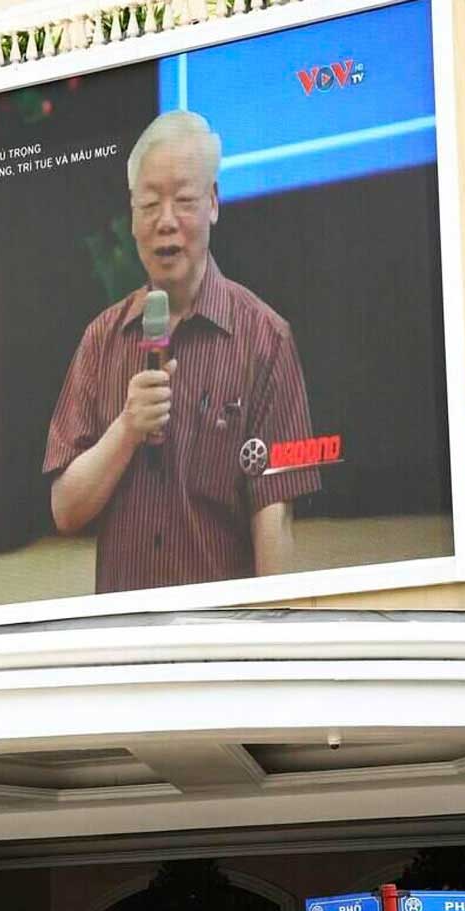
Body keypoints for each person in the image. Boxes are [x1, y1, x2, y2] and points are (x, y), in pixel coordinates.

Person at [45, 110, 318, 594]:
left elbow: (274, 516)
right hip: (124, 645)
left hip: (219, 641)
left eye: (184, 200)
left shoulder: (264, 338)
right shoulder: (100, 340)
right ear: (131, 217)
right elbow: (66, 509)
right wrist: (128, 428)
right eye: (149, 204)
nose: (166, 222)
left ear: (213, 203)